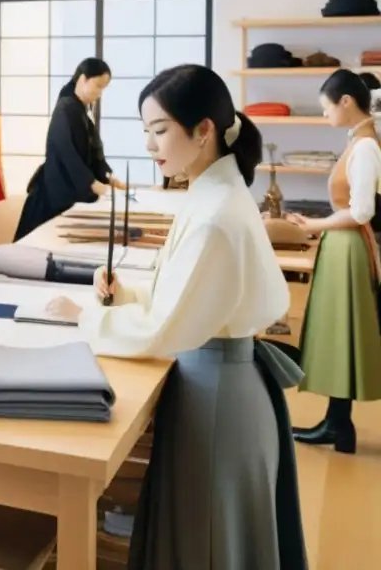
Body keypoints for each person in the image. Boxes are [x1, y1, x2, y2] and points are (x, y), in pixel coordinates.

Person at [43, 64, 307, 569]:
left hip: (217, 399)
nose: (149, 144)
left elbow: (165, 330)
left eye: (160, 130)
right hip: (222, 385)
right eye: (145, 131)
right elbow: (187, 296)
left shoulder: (214, 213)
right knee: (210, 543)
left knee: (204, 545)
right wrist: (125, 295)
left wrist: (85, 317)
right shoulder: (214, 193)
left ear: (204, 129)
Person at [288, 69, 381, 454]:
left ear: (346, 102)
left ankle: (339, 425)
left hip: (349, 247)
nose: (325, 115)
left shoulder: (365, 147)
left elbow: (361, 212)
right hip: (340, 245)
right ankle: (336, 423)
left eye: (327, 108)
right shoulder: (357, 142)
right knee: (337, 335)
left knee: (342, 334)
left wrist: (314, 224)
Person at [13, 57, 125, 241]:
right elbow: (68, 154)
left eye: (103, 89)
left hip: (69, 190)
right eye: (98, 86)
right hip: (52, 194)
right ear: (83, 79)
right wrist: (94, 184)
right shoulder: (66, 108)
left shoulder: (81, 111)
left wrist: (110, 178)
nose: (100, 93)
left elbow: (95, 154)